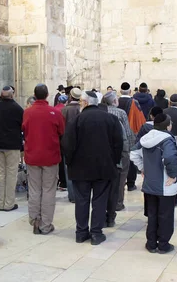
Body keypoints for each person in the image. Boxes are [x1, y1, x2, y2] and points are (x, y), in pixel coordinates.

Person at [62, 91, 123, 245]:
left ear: (85, 103)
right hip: (103, 168)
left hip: (80, 169)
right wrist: (113, 161)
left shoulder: (76, 121)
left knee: (81, 201)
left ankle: (81, 233)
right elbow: (118, 144)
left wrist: (70, 163)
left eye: (82, 102)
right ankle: (96, 233)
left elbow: (67, 145)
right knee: (100, 201)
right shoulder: (111, 119)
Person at [130, 113, 177, 254]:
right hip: (165, 185)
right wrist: (172, 175)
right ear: (167, 126)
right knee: (165, 215)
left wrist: (142, 168)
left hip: (149, 184)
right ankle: (163, 244)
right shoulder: (167, 140)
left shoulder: (145, 138)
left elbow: (133, 153)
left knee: (152, 214)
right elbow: (170, 157)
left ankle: (151, 243)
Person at [22, 84, 65, 235]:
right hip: (50, 156)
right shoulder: (54, 112)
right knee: (48, 190)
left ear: (34, 94)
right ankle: (45, 225)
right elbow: (61, 131)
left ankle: (35, 221)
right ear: (47, 95)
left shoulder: (27, 113)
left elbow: (24, 130)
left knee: (34, 190)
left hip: (32, 155)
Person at [102, 91, 133, 225]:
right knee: (121, 177)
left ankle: (106, 203)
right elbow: (126, 131)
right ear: (114, 101)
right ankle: (118, 203)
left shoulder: (102, 112)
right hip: (121, 148)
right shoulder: (120, 113)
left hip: (105, 149)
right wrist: (131, 147)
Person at [0, 86, 24, 212]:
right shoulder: (17, 108)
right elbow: (22, 125)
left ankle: (1, 203)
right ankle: (9, 203)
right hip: (12, 145)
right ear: (12, 95)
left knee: (1, 174)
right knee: (11, 174)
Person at [118, 82, 145, 193]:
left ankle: (119, 183)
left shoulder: (115, 101)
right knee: (131, 159)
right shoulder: (135, 103)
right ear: (130, 91)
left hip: (116, 135)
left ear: (120, 91)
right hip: (131, 135)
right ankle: (130, 184)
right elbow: (140, 120)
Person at [61, 88, 82, 203]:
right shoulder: (82, 109)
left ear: (70, 96)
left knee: (68, 169)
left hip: (67, 142)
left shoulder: (64, 110)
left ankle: (72, 195)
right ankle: (80, 194)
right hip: (81, 143)